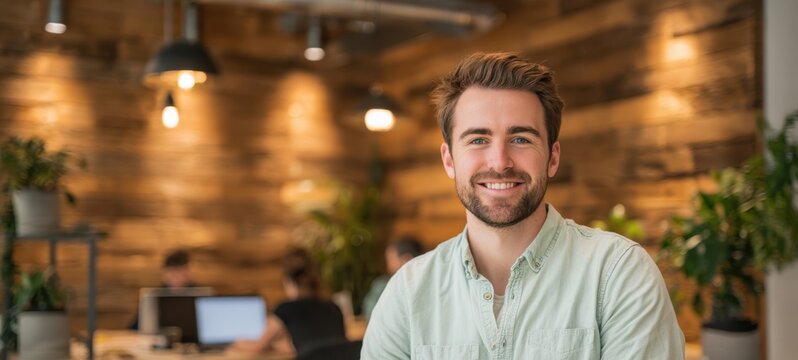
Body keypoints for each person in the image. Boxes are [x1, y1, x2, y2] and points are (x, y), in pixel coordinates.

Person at [362, 53, 685, 359]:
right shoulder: (407, 292)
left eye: (521, 139)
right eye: (478, 139)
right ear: (449, 160)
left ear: (553, 158)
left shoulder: (617, 273)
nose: (500, 162)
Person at [232, 248, 347, 356]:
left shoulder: (286, 309)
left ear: (288, 281)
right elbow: (324, 345)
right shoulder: (334, 307)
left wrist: (238, 341)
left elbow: (257, 347)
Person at [129, 249, 197, 330]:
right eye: (171, 272)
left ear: (187, 272)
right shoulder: (154, 296)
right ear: (164, 273)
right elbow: (136, 327)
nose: (175, 277)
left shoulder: (199, 294)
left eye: (179, 272)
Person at [362, 235, 423, 321]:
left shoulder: (383, 285)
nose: (388, 268)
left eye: (391, 260)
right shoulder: (433, 283)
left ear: (406, 259)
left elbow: (371, 315)